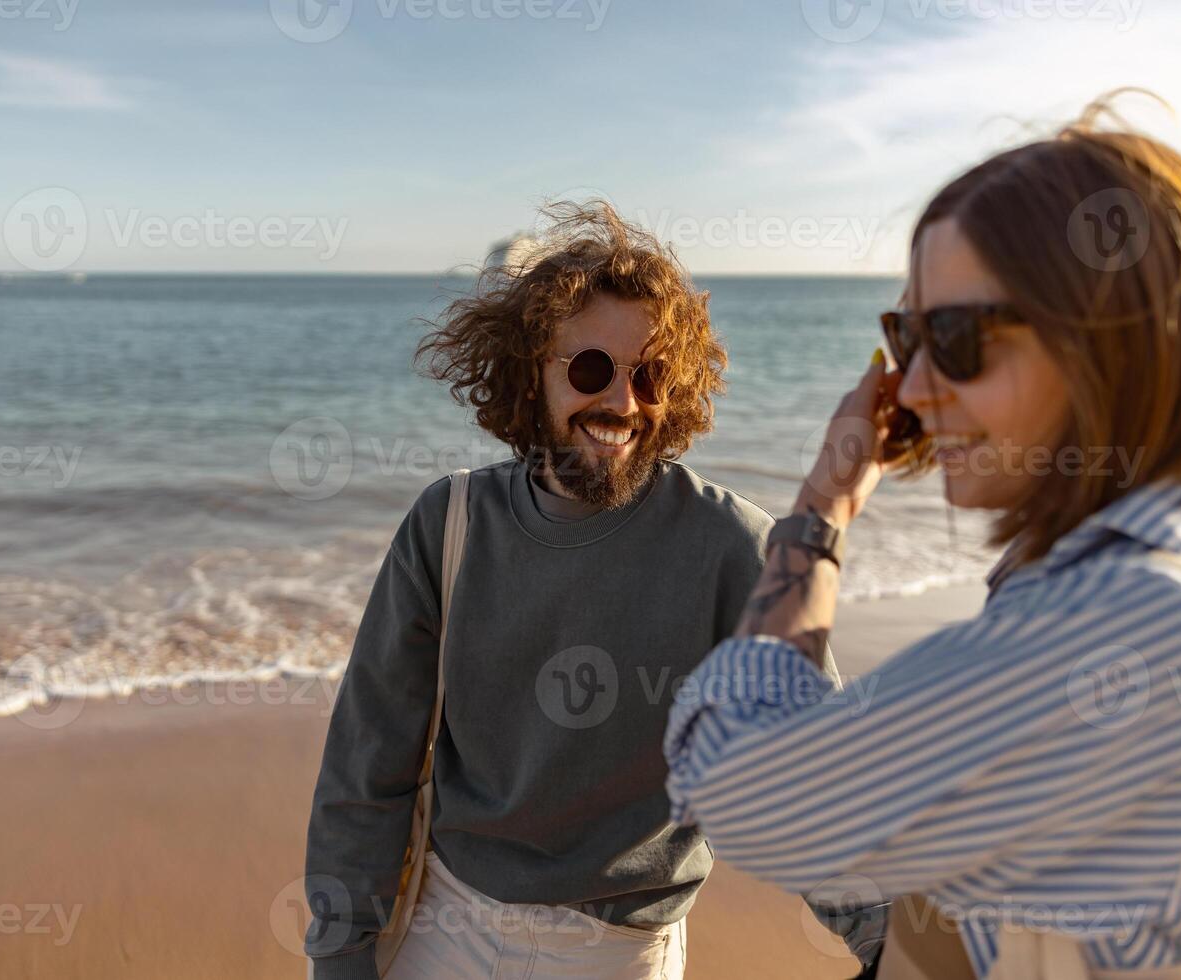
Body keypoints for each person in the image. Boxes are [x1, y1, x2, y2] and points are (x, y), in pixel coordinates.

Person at [662, 96, 1181, 977]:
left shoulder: (1112, 631)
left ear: (1110, 345)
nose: (910, 388)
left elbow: (735, 779)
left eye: (955, 339)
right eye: (904, 337)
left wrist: (825, 505)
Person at [302, 203, 865, 979]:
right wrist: (341, 950)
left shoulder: (733, 547)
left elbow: (813, 778)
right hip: (448, 925)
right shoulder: (450, 523)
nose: (623, 403)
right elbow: (372, 757)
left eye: (651, 375)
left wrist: (897, 946)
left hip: (623, 953)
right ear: (532, 372)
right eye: (591, 369)